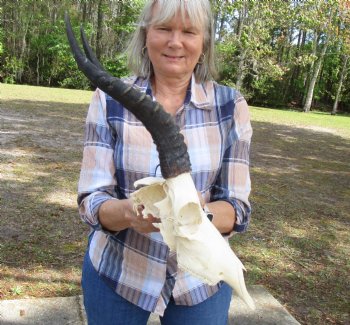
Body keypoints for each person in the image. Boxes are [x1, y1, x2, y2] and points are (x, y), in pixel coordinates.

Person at [77, 0, 252, 324]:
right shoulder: (108, 100)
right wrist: (129, 213)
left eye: (188, 31)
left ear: (204, 41)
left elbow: (237, 207)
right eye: (163, 28)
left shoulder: (231, 106)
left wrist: (196, 217)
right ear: (146, 35)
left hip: (200, 282)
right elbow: (92, 199)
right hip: (120, 274)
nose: (175, 41)